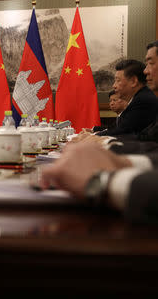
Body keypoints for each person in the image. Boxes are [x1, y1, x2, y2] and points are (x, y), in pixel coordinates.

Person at [40, 41, 158, 224]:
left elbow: (133, 135)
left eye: (151, 62)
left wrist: (100, 180)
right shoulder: (145, 99)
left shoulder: (145, 100)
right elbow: (149, 141)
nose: (146, 71)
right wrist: (121, 159)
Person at [95, 59, 158, 136]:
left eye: (118, 80)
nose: (114, 86)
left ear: (133, 81)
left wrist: (92, 136)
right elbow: (119, 128)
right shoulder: (138, 97)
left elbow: (123, 131)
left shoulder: (143, 100)